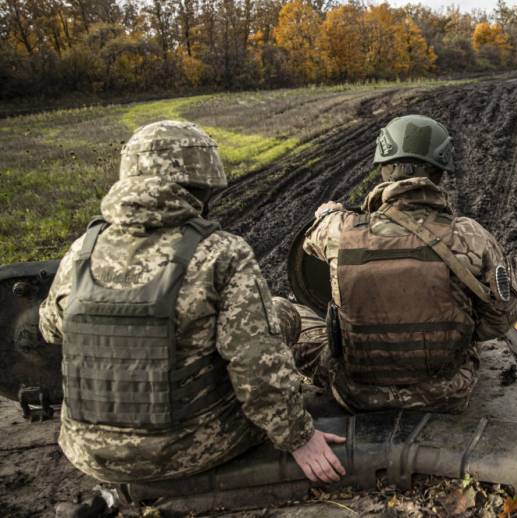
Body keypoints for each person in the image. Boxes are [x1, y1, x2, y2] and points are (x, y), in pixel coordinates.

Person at [39, 120, 345, 486]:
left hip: (88, 453)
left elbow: (51, 330)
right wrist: (299, 437)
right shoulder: (220, 253)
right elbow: (256, 363)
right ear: (202, 185)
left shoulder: (81, 251)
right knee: (281, 313)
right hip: (191, 448)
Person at [299, 114, 517, 413]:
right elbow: (500, 321)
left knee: (286, 313)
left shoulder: (340, 229)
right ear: (440, 173)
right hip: (447, 394)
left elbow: (310, 242)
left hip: (358, 395)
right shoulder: (471, 235)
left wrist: (328, 213)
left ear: (384, 167)